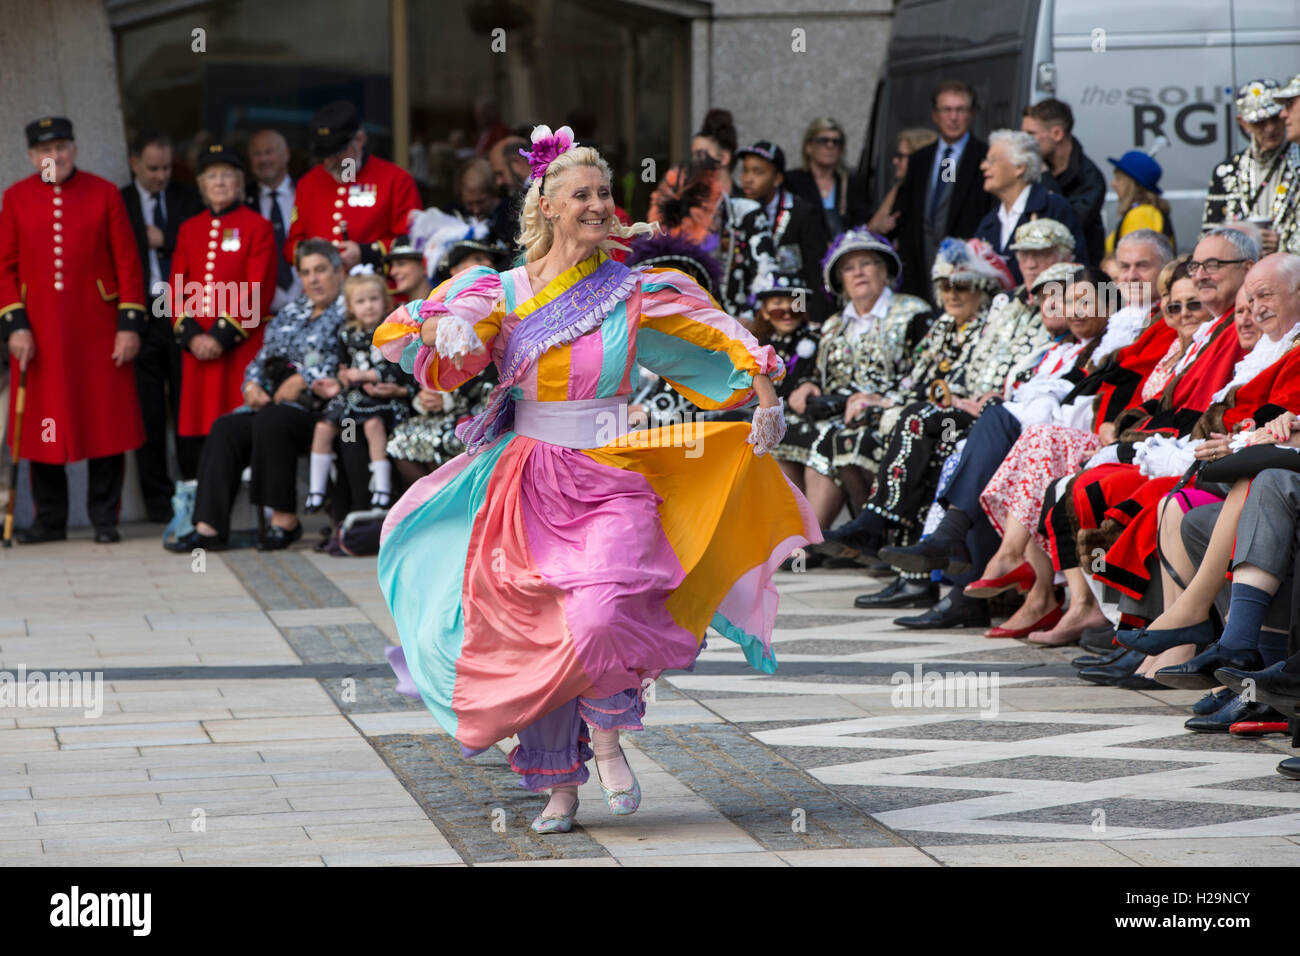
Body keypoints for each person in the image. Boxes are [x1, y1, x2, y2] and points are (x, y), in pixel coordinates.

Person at [372, 124, 820, 833]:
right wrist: (442, 328)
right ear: (546, 206)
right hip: (524, 481)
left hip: (611, 472)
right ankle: (559, 788)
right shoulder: (499, 289)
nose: (597, 203)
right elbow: (415, 335)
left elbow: (718, 333)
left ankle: (608, 738)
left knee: (601, 609)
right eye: (581, 193)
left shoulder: (634, 290)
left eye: (605, 192)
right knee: (539, 631)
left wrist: (764, 396)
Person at [2, 116, 147, 544]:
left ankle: (105, 518)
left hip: (98, 331)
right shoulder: (15, 198)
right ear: (32, 156)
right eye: (46, 150)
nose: (56, 156)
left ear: (75, 150)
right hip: (39, 334)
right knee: (44, 427)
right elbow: (4, 268)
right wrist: (16, 324)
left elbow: (127, 262)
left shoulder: (103, 194)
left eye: (62, 147)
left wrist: (129, 325)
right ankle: (51, 521)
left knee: (104, 425)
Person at [165, 239, 348, 552]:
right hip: (279, 408)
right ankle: (208, 527)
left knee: (272, 420)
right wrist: (251, 386)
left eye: (320, 270)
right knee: (226, 428)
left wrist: (305, 380)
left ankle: (284, 520)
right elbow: (261, 360)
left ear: (339, 271)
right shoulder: (291, 313)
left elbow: (352, 359)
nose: (313, 279)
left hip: (328, 411)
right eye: (306, 272)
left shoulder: (351, 309)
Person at [779, 228, 931, 526]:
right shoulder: (833, 325)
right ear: (840, 282)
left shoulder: (914, 312)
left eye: (867, 263)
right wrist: (807, 386)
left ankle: (815, 537)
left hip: (886, 410)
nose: (858, 272)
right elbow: (816, 374)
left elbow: (927, 370)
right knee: (778, 433)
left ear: (885, 271)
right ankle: (794, 535)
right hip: (835, 410)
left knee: (828, 439)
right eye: (848, 267)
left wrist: (882, 400)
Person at [170, 144, 276, 468]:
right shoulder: (189, 229)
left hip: (238, 346)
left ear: (240, 182)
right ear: (202, 185)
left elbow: (259, 288)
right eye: (212, 176)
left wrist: (219, 336)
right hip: (198, 350)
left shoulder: (258, 226)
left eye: (227, 176)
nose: (219, 182)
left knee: (239, 422)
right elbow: (174, 287)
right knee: (201, 430)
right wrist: (192, 335)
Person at [122, 129, 204, 523]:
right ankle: (157, 503)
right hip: (141, 314)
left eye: (167, 167)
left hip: (184, 312)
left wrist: (164, 238)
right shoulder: (120, 202)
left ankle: (195, 490)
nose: (161, 176)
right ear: (134, 163)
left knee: (187, 405)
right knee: (147, 412)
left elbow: (199, 242)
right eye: (153, 168)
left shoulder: (188, 197)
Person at [306, 271, 410, 512]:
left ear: (385, 301)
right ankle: (318, 492)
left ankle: (379, 491)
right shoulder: (346, 335)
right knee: (336, 432)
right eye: (361, 302)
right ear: (351, 307)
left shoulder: (392, 332)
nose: (369, 306)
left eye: (373, 299)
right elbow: (344, 368)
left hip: (380, 406)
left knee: (369, 428)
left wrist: (367, 377)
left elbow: (400, 371)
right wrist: (339, 382)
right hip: (351, 412)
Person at [285, 101, 422, 271]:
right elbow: (292, 246)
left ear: (360, 139)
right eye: (326, 155)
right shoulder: (308, 183)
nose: (331, 161)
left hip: (377, 290)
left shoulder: (396, 180)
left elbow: (413, 240)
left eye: (338, 153)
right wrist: (315, 253)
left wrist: (364, 253)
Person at [890, 81, 993, 300]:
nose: (953, 117)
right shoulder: (919, 159)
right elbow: (908, 216)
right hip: (920, 270)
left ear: (971, 114)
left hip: (966, 273)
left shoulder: (985, 158)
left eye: (960, 110)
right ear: (935, 115)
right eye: (947, 110)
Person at [647, 152, 774, 321]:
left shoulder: (746, 213)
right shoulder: (669, 228)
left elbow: (765, 273)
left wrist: (749, 316)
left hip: (742, 322)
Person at [974, 129, 1088, 281]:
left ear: (1020, 167)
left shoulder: (1053, 208)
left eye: (992, 160)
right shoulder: (989, 222)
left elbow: (1076, 270)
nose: (983, 166)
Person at [1202, 79, 1298, 256]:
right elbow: (1208, 236)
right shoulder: (1227, 172)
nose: (1270, 129)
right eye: (1260, 122)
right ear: (1243, 123)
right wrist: (1243, 239)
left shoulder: (1297, 163)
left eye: (1275, 118)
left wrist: (1284, 240)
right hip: (1242, 275)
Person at [737, 139, 829, 320]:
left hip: (791, 310)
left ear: (777, 178)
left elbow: (811, 274)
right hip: (749, 311)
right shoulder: (736, 211)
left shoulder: (802, 213)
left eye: (758, 172)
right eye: (745, 170)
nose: (748, 178)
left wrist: (799, 317)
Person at [1020, 98, 1106, 266]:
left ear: (1057, 134)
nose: (1024, 143)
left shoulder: (1090, 179)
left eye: (1031, 135)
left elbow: (1068, 224)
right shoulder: (1035, 168)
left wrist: (1045, 177)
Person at [783, 118, 870, 236]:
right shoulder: (792, 181)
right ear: (808, 147)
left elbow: (860, 222)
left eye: (836, 141)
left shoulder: (852, 182)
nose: (830, 145)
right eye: (823, 140)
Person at [246, 128, 300, 313]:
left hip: (309, 298)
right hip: (260, 308)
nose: (263, 160)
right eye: (257, 154)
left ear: (286, 154)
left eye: (269, 152)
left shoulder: (305, 192)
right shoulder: (243, 201)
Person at [867, 127, 937, 236]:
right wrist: (880, 226)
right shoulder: (899, 188)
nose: (895, 161)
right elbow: (870, 227)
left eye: (901, 156)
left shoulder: (935, 194)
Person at [1105, 149, 1174, 255]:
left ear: (1132, 184)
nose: (1113, 184)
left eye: (1118, 178)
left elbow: (1133, 257)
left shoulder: (1140, 215)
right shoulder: (1146, 212)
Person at [384, 235, 432, 305]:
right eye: (392, 265)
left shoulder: (448, 308)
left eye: (401, 264)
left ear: (424, 266)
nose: (392, 272)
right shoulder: (397, 313)